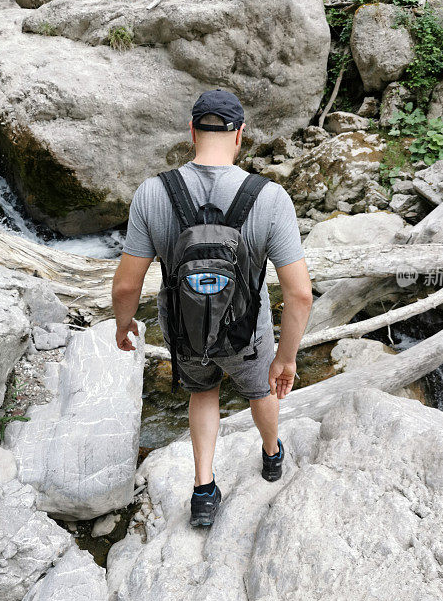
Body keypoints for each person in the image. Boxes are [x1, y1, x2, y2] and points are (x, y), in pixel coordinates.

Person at [111, 89, 312, 526]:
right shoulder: (270, 197)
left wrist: (123, 326)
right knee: (261, 390)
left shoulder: (152, 193)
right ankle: (273, 455)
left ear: (191, 132)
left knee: (203, 393)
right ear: (240, 134)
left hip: (185, 332)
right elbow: (300, 294)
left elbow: (128, 283)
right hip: (247, 335)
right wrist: (287, 357)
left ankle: (203, 491)